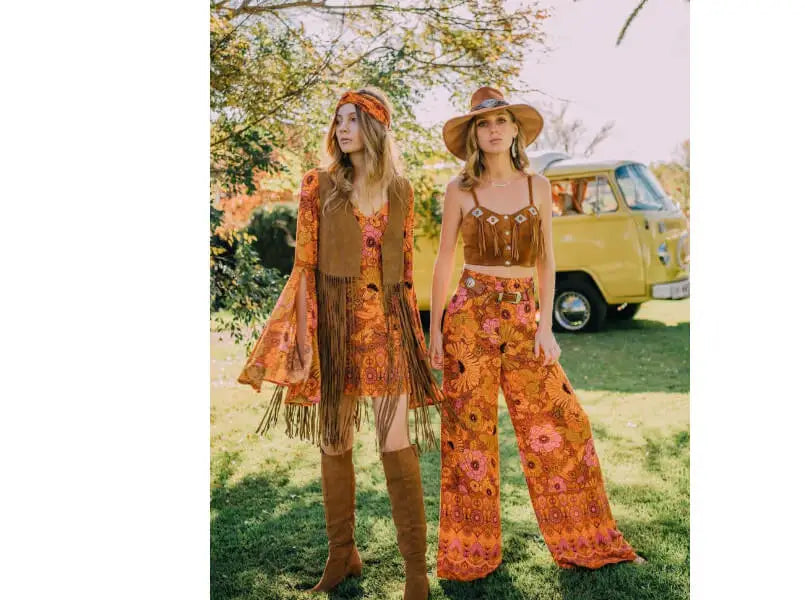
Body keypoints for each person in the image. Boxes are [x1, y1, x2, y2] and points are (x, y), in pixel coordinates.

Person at [428, 86, 644, 581]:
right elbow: (444, 260)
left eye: (502, 121)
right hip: (469, 315)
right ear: (474, 135)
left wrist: (545, 325)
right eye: (484, 124)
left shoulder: (537, 187)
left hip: (525, 316)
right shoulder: (458, 189)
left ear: (516, 130)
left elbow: (546, 260)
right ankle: (469, 557)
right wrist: (437, 329)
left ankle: (587, 541)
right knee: (468, 439)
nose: (494, 130)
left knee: (566, 424)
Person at [237, 87, 441, 599]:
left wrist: (415, 342)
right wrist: (305, 341)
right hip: (334, 328)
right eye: (338, 120)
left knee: (395, 443)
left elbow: (407, 274)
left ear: (375, 127)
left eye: (352, 119)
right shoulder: (319, 185)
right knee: (335, 441)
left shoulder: (401, 191)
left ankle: (416, 571)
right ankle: (342, 555)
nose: (342, 128)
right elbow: (304, 267)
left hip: (388, 330)